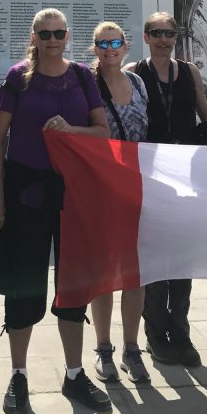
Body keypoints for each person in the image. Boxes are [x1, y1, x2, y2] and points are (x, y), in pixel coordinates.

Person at [0, 9, 111, 414]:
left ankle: (74, 373)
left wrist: (70, 132)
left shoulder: (82, 76)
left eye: (59, 33)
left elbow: (102, 132)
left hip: (75, 192)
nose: (53, 39)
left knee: (75, 282)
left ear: (67, 35)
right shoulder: (18, 77)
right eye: (46, 33)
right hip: (26, 192)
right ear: (35, 36)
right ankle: (19, 373)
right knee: (24, 283)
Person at [130, 12, 207, 368]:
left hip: (185, 174)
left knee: (184, 257)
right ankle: (155, 332)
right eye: (157, 33)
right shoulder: (135, 72)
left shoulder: (190, 72)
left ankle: (180, 330)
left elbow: (205, 118)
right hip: (150, 175)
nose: (164, 39)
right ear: (146, 36)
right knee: (156, 257)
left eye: (169, 33)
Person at [89, 22, 150, 386]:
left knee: (135, 272)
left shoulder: (138, 83)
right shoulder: (86, 83)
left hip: (135, 187)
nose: (109, 48)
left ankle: (131, 347)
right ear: (94, 48)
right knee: (103, 272)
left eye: (115, 42)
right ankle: (103, 348)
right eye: (102, 43)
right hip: (99, 189)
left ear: (125, 46)